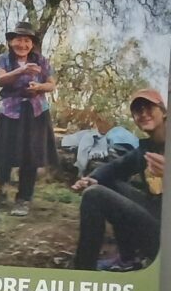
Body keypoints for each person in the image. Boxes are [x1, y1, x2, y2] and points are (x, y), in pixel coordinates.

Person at [70, 88, 166, 271]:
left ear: (163, 111)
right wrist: (91, 179)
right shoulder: (147, 149)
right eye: (138, 110)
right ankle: (128, 259)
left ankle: (82, 271)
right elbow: (115, 168)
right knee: (106, 183)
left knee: (94, 196)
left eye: (149, 107)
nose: (144, 113)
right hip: (154, 220)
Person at [0, 21, 57, 216]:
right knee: (3, 155)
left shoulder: (42, 61)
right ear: (11, 42)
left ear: (32, 44)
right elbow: (0, 80)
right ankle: (1, 192)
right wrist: (22, 71)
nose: (22, 45)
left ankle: (24, 199)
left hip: (35, 113)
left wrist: (39, 88)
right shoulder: (3, 60)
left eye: (27, 41)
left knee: (30, 157)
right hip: (10, 111)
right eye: (18, 40)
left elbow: (51, 84)